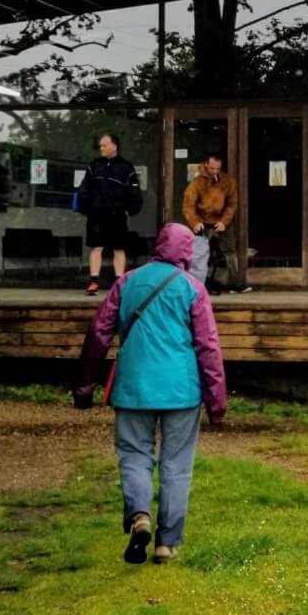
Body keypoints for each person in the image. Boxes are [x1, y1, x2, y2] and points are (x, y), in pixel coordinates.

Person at [75, 223, 227, 565]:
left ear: (158, 245)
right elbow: (208, 347)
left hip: (133, 386)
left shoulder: (127, 281)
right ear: (187, 251)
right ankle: (167, 543)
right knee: (177, 465)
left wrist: (84, 385)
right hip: (181, 390)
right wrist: (217, 401)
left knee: (133, 454)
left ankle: (139, 515)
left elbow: (98, 332)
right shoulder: (192, 289)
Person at [77, 133, 143, 297]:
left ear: (114, 146)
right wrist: (87, 207)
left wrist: (130, 209)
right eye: (100, 146)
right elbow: (84, 188)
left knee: (118, 248)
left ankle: (119, 285)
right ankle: (93, 283)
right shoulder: (94, 165)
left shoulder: (126, 167)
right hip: (97, 214)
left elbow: (134, 191)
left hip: (117, 214)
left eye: (104, 145)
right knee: (96, 248)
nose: (101, 148)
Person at [181, 151, 249, 294]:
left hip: (222, 222)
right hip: (203, 223)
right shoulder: (196, 183)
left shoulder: (228, 181)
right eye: (212, 168)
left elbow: (232, 204)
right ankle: (198, 283)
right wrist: (195, 222)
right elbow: (188, 206)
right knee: (200, 254)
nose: (215, 171)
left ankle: (235, 283)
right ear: (206, 164)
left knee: (230, 252)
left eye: (218, 168)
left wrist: (224, 221)